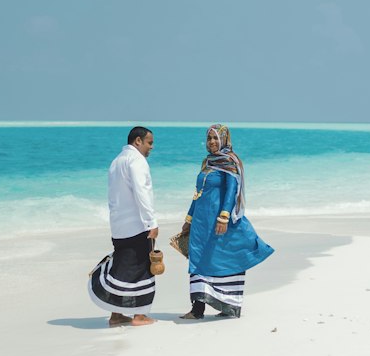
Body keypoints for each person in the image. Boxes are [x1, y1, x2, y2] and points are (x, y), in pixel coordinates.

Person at [178, 124, 273, 320]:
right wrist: (189, 219)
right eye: (209, 138)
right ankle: (198, 309)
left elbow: (231, 191)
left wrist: (224, 217)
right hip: (201, 223)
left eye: (215, 138)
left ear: (224, 139)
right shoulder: (207, 163)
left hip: (219, 221)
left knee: (225, 259)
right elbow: (198, 194)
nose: (212, 142)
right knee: (197, 258)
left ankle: (229, 306)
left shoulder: (230, 162)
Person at [88, 126, 159, 327]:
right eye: (149, 142)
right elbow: (141, 192)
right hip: (137, 226)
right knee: (142, 269)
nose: (151, 147)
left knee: (122, 270)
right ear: (138, 141)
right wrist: (151, 222)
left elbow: (113, 197)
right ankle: (140, 315)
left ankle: (117, 315)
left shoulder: (116, 161)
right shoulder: (137, 161)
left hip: (119, 226)